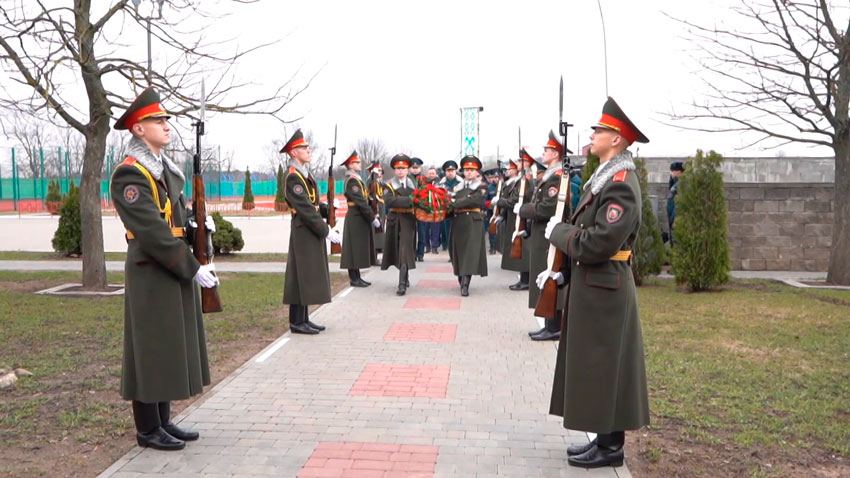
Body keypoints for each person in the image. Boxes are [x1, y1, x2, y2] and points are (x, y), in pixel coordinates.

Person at [545, 97, 650, 469]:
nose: (592, 135)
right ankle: (604, 441)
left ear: (617, 139)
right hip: (596, 285)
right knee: (602, 367)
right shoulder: (605, 177)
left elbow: (599, 241)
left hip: (606, 286)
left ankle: (610, 447)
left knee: (609, 367)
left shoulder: (621, 184)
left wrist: (559, 234)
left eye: (600, 130)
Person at [110, 87, 214, 451]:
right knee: (151, 347)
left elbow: (176, 218)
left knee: (168, 344)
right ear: (138, 129)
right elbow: (152, 233)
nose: (166, 125)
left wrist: (199, 227)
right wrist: (191, 266)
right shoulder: (129, 175)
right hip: (151, 269)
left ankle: (165, 421)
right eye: (158, 120)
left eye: (166, 119)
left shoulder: (165, 171)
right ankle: (147, 429)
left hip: (170, 266)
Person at [280, 129, 336, 335]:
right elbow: (303, 208)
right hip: (303, 229)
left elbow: (312, 204)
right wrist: (325, 230)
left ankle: (303, 318)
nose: (308, 150)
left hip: (309, 228)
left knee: (306, 274)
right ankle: (296, 322)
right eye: (303, 147)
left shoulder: (305, 174)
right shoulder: (293, 177)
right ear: (293, 152)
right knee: (300, 275)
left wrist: (328, 209)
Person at [517, 133, 567, 342]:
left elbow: (548, 207)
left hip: (547, 233)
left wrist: (524, 209)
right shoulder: (549, 176)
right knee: (544, 275)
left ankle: (554, 326)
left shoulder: (556, 178)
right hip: (541, 232)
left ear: (555, 153)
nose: (543, 153)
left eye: (546, 150)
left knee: (549, 275)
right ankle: (549, 324)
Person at [449, 155, 489, 296]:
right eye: (466, 170)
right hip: (458, 221)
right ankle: (461, 279)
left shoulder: (481, 186)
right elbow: (451, 203)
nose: (469, 172)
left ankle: (465, 283)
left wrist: (455, 202)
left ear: (477, 171)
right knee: (458, 253)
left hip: (473, 221)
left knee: (469, 253)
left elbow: (475, 201)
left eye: (472, 170)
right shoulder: (457, 187)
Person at [340, 150, 379, 287]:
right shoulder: (352, 181)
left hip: (358, 216)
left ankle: (357, 277)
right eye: (356, 162)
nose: (359, 164)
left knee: (356, 248)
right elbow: (360, 201)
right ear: (350, 165)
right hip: (355, 216)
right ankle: (354, 278)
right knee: (353, 249)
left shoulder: (356, 179)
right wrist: (371, 217)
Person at [381, 154, 417, 295]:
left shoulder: (413, 184)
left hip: (408, 220)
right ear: (394, 170)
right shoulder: (388, 185)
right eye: (398, 168)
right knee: (397, 250)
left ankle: (402, 283)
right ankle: (405, 276)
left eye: (403, 168)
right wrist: (410, 200)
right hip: (394, 220)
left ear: (408, 170)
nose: (400, 171)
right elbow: (390, 201)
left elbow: (420, 200)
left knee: (405, 250)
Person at [497, 155, 533, 290]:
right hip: (516, 216)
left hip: (522, 217)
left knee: (524, 249)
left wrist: (500, 202)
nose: (518, 163)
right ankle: (523, 278)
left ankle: (526, 280)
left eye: (521, 161)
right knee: (520, 249)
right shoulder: (521, 180)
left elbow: (515, 200)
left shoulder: (526, 180)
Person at [438, 160, 461, 255]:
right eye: (448, 171)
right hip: (446, 211)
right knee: (448, 232)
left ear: (456, 171)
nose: (450, 173)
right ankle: (451, 252)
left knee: (458, 232)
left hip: (459, 210)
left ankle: (458, 252)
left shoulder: (461, 182)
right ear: (445, 172)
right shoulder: (441, 183)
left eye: (452, 170)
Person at [410, 157, 429, 261]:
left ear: (420, 168)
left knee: (422, 232)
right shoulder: (407, 179)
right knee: (411, 232)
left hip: (421, 208)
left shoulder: (424, 179)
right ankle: (412, 253)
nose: (415, 169)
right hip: (411, 208)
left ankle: (420, 253)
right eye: (413, 167)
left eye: (417, 167)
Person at [366, 161, 386, 254]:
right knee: (376, 227)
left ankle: (380, 245)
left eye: (381, 170)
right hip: (376, 206)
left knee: (381, 225)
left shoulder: (379, 181)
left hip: (381, 205)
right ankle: (376, 247)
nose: (380, 172)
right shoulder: (370, 180)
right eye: (378, 170)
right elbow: (369, 192)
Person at [423, 167, 443, 254]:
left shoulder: (440, 183)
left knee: (436, 229)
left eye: (433, 173)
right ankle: (427, 246)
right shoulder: (424, 183)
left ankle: (435, 246)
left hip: (436, 208)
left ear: (436, 174)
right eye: (430, 173)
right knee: (425, 229)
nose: (431, 175)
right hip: (426, 209)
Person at [666, 161, 684, 245]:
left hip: (677, 223)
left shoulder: (682, 185)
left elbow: (679, 205)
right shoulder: (675, 184)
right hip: (673, 221)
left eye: (672, 171)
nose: (670, 173)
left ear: (679, 172)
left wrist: (674, 221)